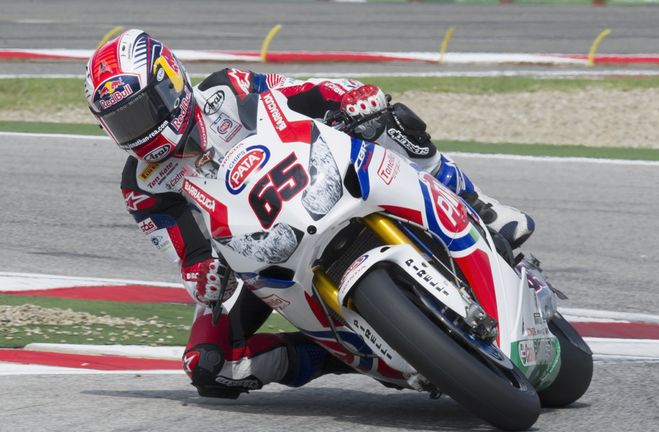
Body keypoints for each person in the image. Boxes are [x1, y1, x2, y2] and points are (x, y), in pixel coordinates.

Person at [84, 29, 535, 398]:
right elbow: (188, 254)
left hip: (314, 181)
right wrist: (201, 276)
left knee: (392, 117)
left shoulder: (226, 89)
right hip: (253, 256)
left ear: (170, 83)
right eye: (123, 122)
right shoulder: (143, 184)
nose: (139, 131)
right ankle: (342, 355)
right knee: (208, 366)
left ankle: (475, 203)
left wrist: (347, 97)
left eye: (142, 111)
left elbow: (298, 93)